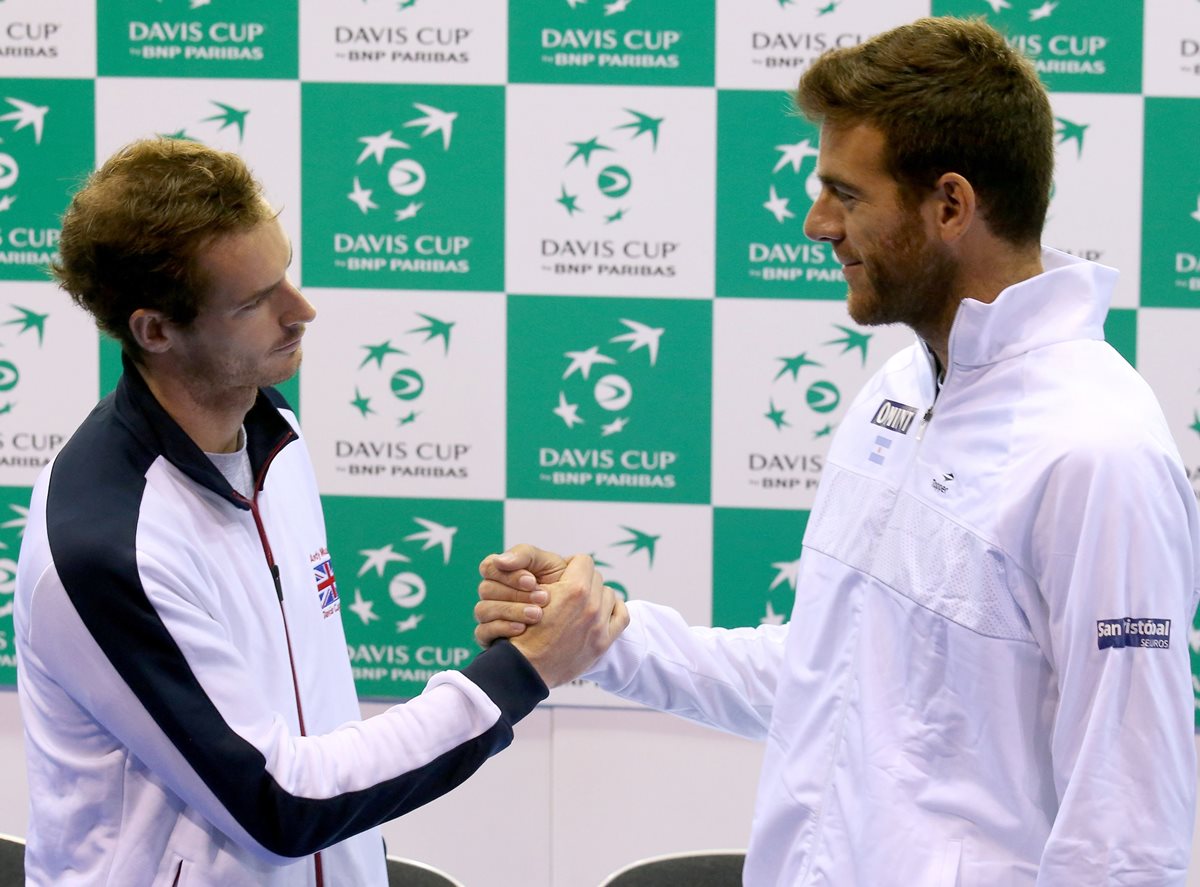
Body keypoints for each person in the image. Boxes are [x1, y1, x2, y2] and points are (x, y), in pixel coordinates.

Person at [477, 17, 1200, 886]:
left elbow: (1127, 827)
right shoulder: (900, 388)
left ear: (950, 206)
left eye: (846, 194)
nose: (818, 223)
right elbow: (833, 671)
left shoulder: (1098, 451)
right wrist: (604, 636)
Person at [13, 138, 627, 886]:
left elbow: (313, 727)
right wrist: (521, 672)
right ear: (155, 330)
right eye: (253, 301)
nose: (301, 309)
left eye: (286, 274)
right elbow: (281, 800)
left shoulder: (274, 433)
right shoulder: (106, 544)